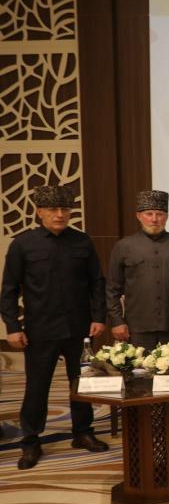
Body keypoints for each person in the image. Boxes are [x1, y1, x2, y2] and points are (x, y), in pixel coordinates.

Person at [1, 185, 108, 469]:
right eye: (53, 209)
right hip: (40, 330)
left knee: (82, 383)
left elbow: (97, 283)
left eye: (65, 209)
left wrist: (99, 317)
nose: (60, 215)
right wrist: (12, 326)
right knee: (37, 388)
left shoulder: (83, 242)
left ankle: (82, 432)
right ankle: (30, 442)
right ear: (40, 212)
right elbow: (9, 290)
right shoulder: (23, 244)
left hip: (79, 328)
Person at [107, 190, 169, 350]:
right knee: (139, 367)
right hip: (137, 328)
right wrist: (117, 321)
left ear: (166, 217)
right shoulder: (124, 247)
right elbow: (112, 288)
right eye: (149, 214)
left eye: (159, 214)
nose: (154, 219)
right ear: (139, 216)